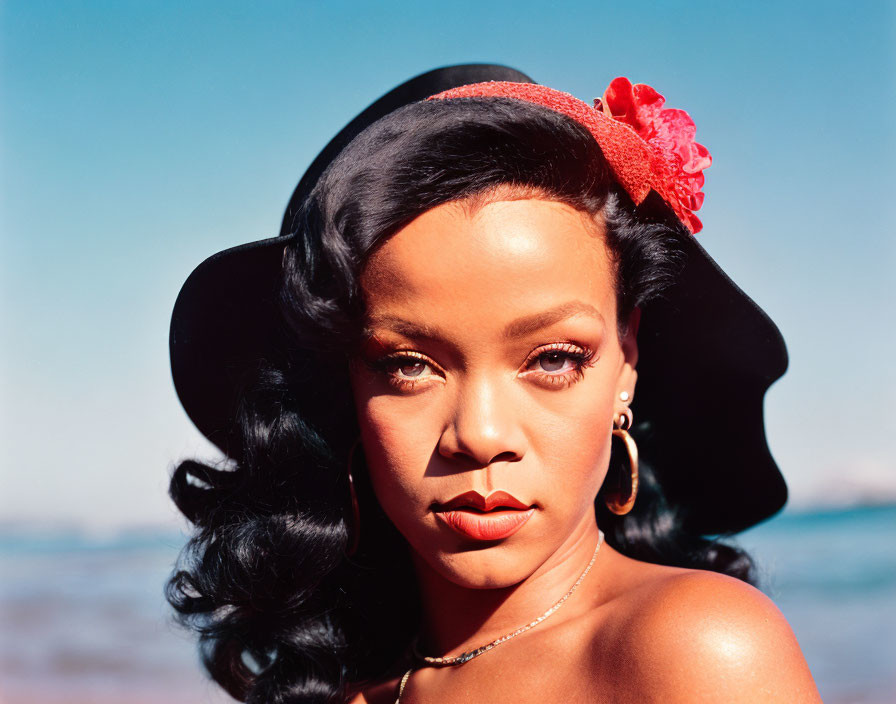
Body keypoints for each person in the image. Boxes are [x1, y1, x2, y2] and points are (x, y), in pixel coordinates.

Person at [166, 65, 821, 703]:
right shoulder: (341, 686)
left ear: (626, 359)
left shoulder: (694, 650)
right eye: (409, 365)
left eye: (553, 359)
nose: (481, 436)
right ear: (346, 389)